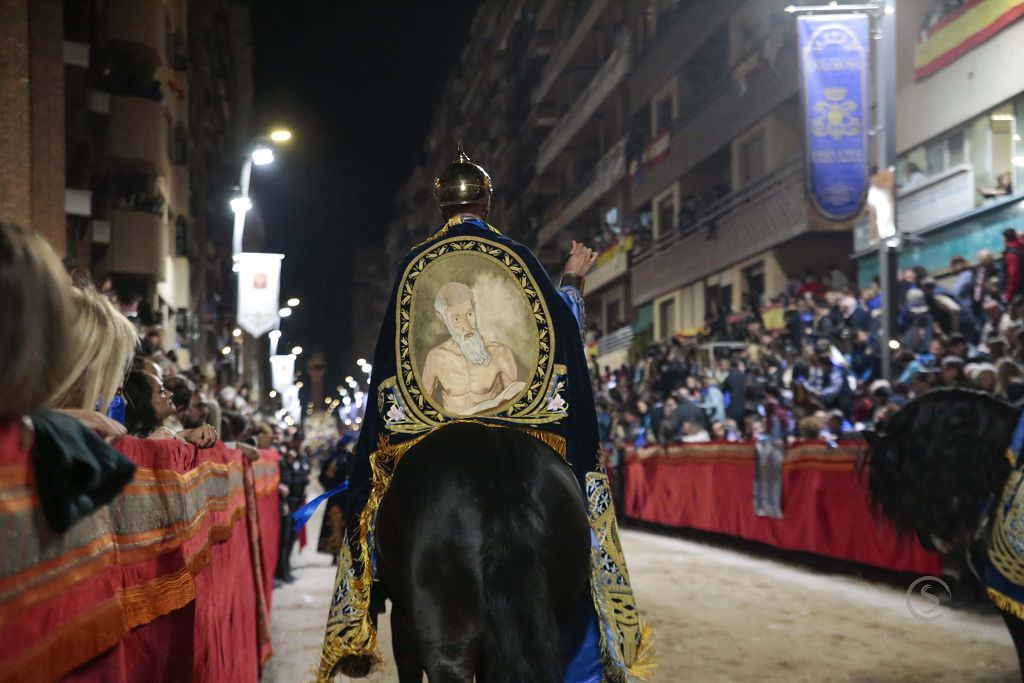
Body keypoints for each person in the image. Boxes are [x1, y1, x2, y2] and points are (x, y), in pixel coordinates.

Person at [323, 145, 650, 681]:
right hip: (523, 425)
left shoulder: (413, 265)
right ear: (488, 202)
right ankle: (604, 614)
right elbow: (562, 338)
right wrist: (569, 282)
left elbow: (389, 374)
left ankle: (362, 603)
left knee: (371, 499)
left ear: (439, 206)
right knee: (582, 499)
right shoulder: (518, 257)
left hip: (430, 428)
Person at [123, 370, 217, 446]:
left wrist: (189, 434)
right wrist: (147, 445)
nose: (170, 394)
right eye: (161, 391)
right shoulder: (124, 440)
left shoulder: (156, 432)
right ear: (144, 400)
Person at [1004, 228, 1024, 305]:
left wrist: (1009, 295)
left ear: (1006, 239)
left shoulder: (1012, 254)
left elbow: (1013, 276)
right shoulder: (1020, 247)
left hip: (1019, 292)